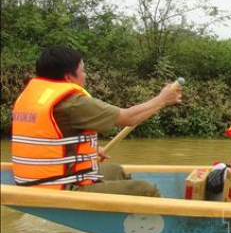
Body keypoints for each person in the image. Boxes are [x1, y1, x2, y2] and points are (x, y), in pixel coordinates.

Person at [11, 47, 182, 196]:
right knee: (145, 188)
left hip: (35, 182)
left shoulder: (30, 97)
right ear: (69, 76)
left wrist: (88, 151)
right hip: (62, 187)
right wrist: (162, 99)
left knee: (115, 171)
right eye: (83, 71)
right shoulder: (73, 103)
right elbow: (129, 118)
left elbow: (45, 144)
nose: (85, 76)